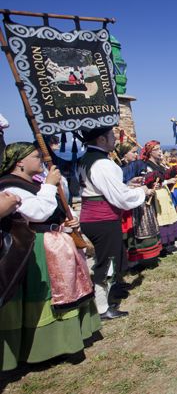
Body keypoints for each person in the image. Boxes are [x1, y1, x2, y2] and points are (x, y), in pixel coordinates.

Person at [0, 142, 101, 370]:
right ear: (20, 162)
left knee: (68, 289)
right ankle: (44, 348)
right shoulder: (10, 186)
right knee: (46, 294)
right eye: (36, 156)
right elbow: (38, 213)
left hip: (56, 243)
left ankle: (68, 341)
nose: (42, 160)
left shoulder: (33, 183)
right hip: (34, 248)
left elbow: (53, 212)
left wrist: (67, 222)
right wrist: (49, 185)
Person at [78, 127, 150, 319]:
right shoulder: (102, 163)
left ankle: (110, 292)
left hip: (93, 217)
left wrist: (127, 186)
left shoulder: (86, 159)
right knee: (107, 262)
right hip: (102, 219)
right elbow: (120, 198)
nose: (115, 140)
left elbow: (102, 189)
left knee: (108, 259)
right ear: (101, 139)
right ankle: (102, 308)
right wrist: (142, 191)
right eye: (111, 136)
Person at [141, 141, 177, 254]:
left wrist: (173, 177)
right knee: (160, 220)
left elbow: (164, 177)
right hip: (156, 195)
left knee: (168, 218)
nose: (160, 151)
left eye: (160, 149)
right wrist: (168, 181)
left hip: (164, 194)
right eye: (156, 149)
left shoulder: (160, 164)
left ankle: (168, 243)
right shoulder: (147, 165)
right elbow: (150, 182)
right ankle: (161, 246)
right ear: (150, 152)